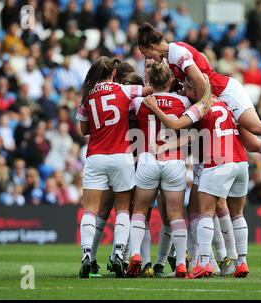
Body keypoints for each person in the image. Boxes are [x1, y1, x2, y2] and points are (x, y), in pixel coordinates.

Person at [137, 23, 261, 192]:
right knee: (252, 143)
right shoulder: (171, 56)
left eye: (146, 54)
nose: (149, 59)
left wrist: (201, 107)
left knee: (255, 126)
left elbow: (201, 82)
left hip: (225, 92)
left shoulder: (176, 51)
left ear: (151, 47)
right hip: (216, 97)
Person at [143, 75, 249, 278]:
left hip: (217, 163)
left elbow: (176, 127)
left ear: (195, 89)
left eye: (186, 89)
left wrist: (154, 108)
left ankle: (204, 263)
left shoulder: (199, 107)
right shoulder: (223, 103)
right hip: (241, 161)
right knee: (237, 214)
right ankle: (241, 262)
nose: (184, 92)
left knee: (205, 213)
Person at [76, 57, 153, 278]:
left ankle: (87, 258)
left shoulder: (87, 96)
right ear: (113, 74)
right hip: (121, 156)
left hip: (95, 157)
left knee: (90, 209)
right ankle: (119, 255)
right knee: (122, 209)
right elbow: (148, 91)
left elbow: (84, 129)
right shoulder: (123, 91)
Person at [126, 62, 191, 278]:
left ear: (150, 82)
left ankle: (136, 256)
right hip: (174, 161)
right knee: (175, 215)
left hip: (147, 158)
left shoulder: (138, 102)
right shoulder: (183, 101)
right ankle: (181, 263)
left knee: (140, 212)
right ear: (170, 81)